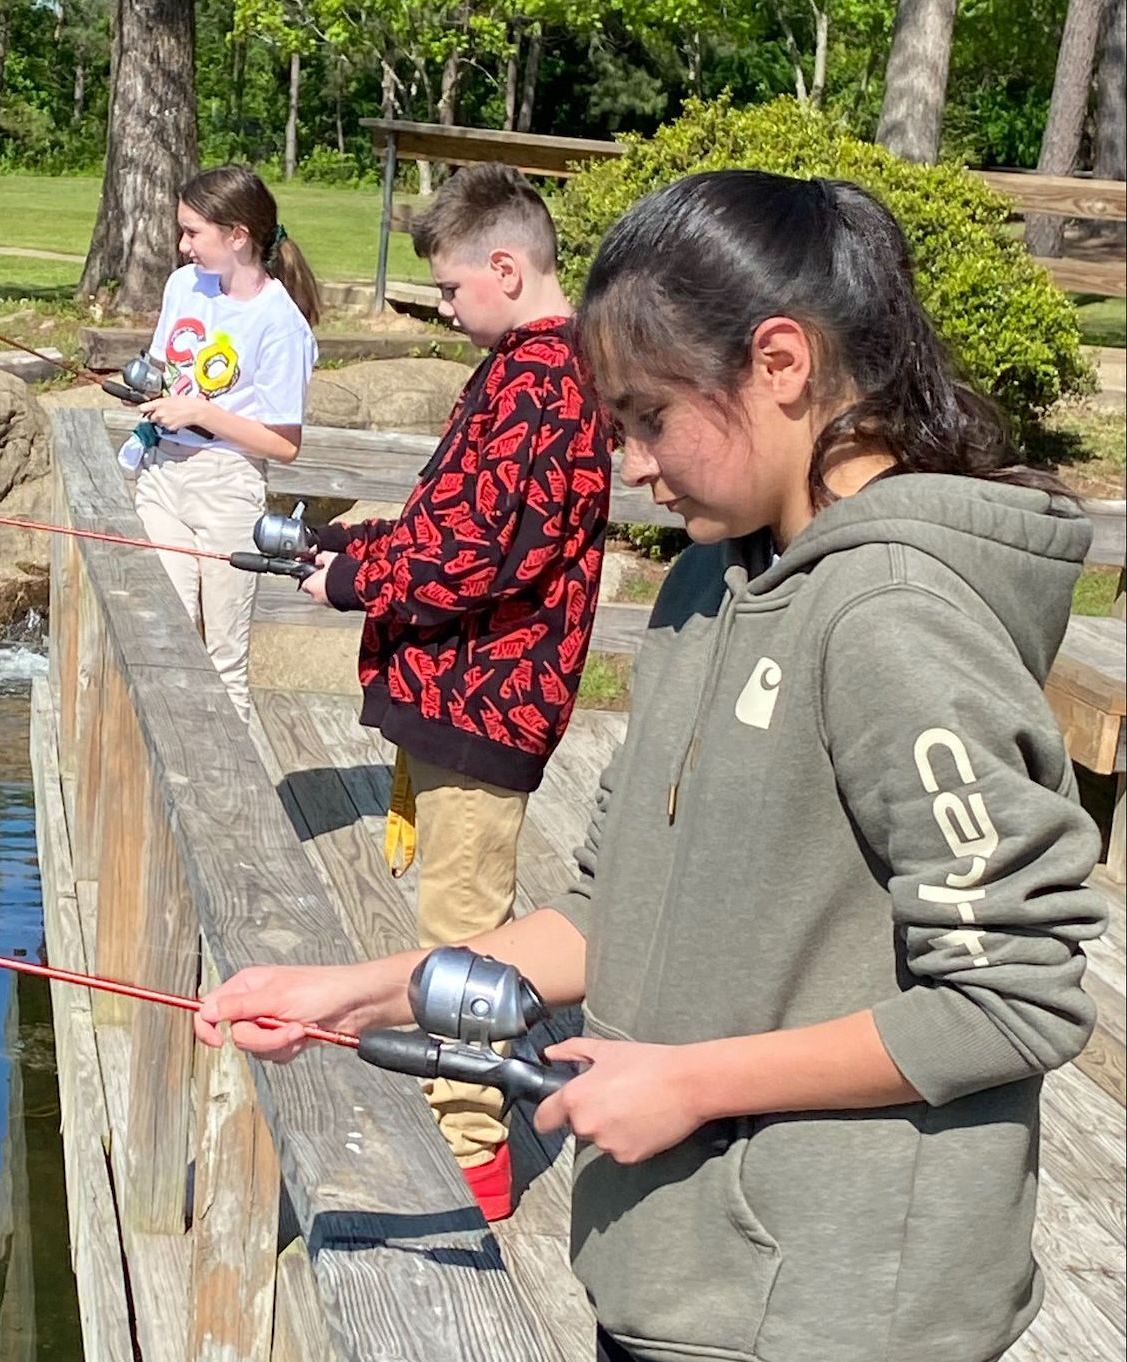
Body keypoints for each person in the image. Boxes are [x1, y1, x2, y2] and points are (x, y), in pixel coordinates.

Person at [197, 170, 1108, 1362]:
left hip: (830, 1316)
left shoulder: (895, 619)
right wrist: (362, 988)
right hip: (675, 1287)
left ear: (779, 362)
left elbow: (1010, 997)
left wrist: (692, 1082)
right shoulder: (703, 586)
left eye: (646, 419)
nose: (626, 464)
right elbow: (602, 908)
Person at [296, 163, 610, 1219]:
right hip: (463, 694)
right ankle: (457, 1123)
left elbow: (471, 561)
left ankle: (469, 1151)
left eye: (449, 289)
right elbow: (451, 523)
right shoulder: (532, 372)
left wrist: (352, 580)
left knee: (463, 937)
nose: (442, 305)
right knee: (451, 914)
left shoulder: (541, 384)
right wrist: (350, 546)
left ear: (507, 269)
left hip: (492, 702)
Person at [128, 165, 320, 722]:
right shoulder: (182, 285)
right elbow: (164, 367)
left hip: (228, 488)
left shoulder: (280, 324)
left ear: (238, 236)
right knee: (166, 631)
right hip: (162, 474)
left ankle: (237, 792)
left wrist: (202, 412)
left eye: (193, 233)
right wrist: (152, 390)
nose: (183, 246)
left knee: (223, 660)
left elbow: (284, 445)